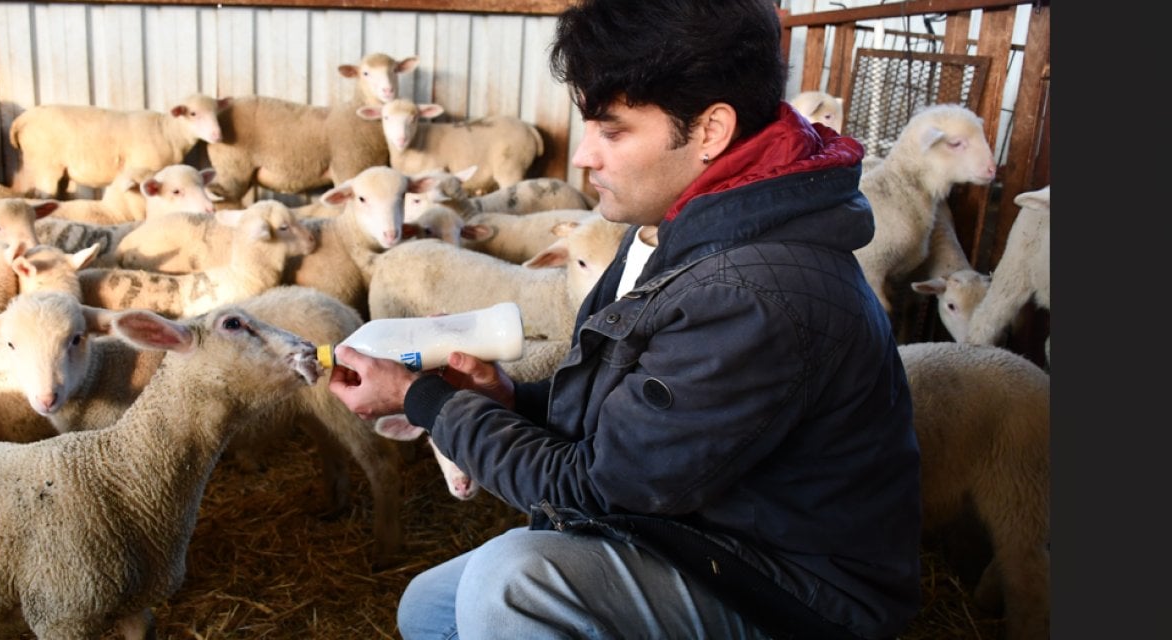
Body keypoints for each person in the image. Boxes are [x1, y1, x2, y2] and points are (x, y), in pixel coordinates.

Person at [327, 0, 922, 638]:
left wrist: (427, 402)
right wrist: (511, 399)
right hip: (707, 535)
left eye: (612, 132)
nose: (583, 157)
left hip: (795, 591)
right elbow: (642, 419)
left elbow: (603, 488)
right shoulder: (673, 231)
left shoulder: (753, 293)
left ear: (710, 131)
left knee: (513, 582)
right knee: (429, 607)